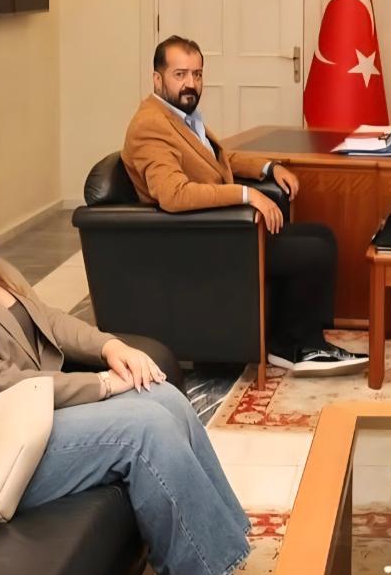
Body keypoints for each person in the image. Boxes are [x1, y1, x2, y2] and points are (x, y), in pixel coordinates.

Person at [0, 157, 261, 575]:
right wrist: (101, 384)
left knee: (163, 396)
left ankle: (220, 574)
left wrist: (110, 346)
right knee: (144, 427)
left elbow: (49, 320)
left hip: (24, 428)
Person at [122, 35, 367, 376]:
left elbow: (219, 159)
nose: (191, 83)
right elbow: (173, 194)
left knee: (321, 235)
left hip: (223, 229)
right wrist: (246, 195)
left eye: (197, 74)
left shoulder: (180, 117)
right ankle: (299, 347)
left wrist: (269, 168)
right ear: (157, 79)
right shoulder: (151, 124)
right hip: (197, 242)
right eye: (180, 75)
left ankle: (294, 340)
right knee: (313, 251)